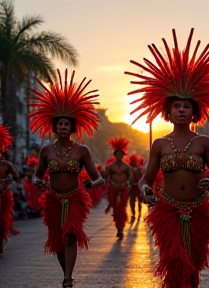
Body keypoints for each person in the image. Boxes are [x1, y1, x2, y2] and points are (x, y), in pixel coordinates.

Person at [125, 28, 209, 288]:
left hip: (198, 209)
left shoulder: (204, 142)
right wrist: (145, 190)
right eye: (177, 105)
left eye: (187, 106)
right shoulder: (159, 144)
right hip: (167, 209)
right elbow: (147, 178)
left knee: (192, 265)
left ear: (194, 112)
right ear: (168, 110)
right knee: (175, 260)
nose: (181, 109)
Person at [27, 69, 105, 287]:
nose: (63, 126)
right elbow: (36, 176)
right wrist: (38, 182)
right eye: (60, 123)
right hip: (52, 199)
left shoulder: (82, 150)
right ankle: (66, 271)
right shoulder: (45, 151)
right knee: (58, 240)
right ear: (55, 126)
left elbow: (98, 179)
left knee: (71, 235)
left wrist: (91, 184)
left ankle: (68, 278)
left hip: (75, 199)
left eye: (67, 124)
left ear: (72, 127)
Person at [105, 137, 131, 238]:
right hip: (113, 189)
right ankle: (118, 228)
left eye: (121, 154)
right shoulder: (110, 167)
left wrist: (125, 185)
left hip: (123, 189)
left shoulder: (127, 167)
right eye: (118, 154)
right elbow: (107, 178)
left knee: (122, 208)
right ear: (115, 155)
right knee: (115, 209)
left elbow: (129, 177)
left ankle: (121, 228)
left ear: (123, 155)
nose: (119, 156)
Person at [0, 125, 19, 255]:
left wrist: (8, 180)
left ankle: (0, 243)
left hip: (3, 195)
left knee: (1, 222)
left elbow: (15, 176)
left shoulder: (7, 165)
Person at [129, 154, 144, 221]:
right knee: (132, 201)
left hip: (138, 187)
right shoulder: (128, 167)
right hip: (131, 187)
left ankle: (139, 213)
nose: (133, 162)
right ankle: (133, 214)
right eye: (132, 160)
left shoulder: (139, 168)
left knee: (139, 201)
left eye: (134, 160)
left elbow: (141, 177)